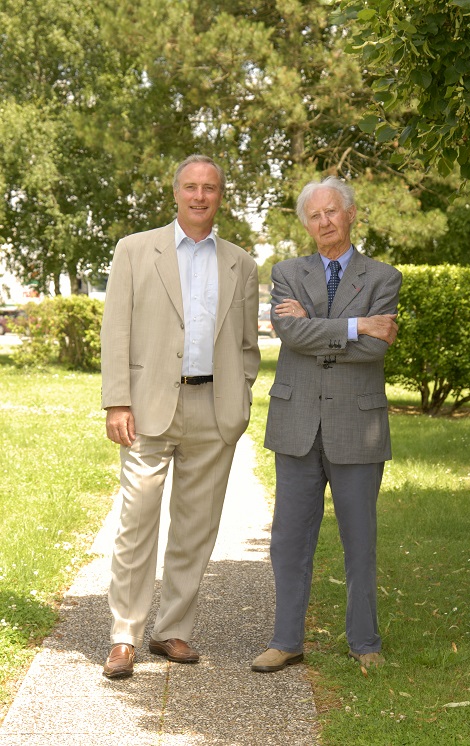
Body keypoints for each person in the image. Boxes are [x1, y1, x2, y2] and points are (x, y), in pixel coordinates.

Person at [100, 154, 260, 678]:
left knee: (196, 528)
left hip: (213, 412)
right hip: (146, 408)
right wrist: (117, 400)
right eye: (190, 187)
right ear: (175, 193)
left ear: (220, 195)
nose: (199, 196)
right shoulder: (134, 250)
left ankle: (173, 631)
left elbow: (246, 346)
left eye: (209, 187)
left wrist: (241, 397)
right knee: (136, 521)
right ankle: (124, 634)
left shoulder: (241, 263)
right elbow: (116, 330)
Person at [251, 176, 402, 673]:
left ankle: (365, 643)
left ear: (351, 213)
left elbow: (377, 348)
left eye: (332, 212)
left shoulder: (382, 277)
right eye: (314, 216)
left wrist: (315, 325)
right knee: (289, 541)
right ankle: (286, 641)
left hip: (357, 425)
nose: (324, 222)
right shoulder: (287, 272)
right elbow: (290, 334)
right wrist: (356, 325)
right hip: (296, 423)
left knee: (360, 540)